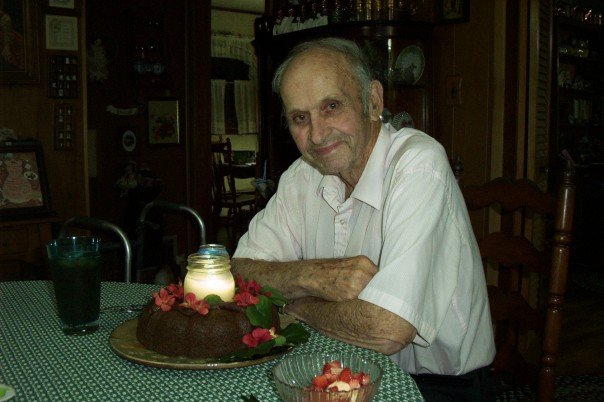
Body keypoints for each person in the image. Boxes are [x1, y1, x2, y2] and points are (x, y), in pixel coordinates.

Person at [231, 37, 495, 401]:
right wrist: (314, 276)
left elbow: (388, 329)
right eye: (300, 118)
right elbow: (238, 273)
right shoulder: (302, 176)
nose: (317, 134)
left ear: (372, 101)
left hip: (437, 386)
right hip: (338, 368)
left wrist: (296, 304)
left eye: (332, 106)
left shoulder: (419, 164)